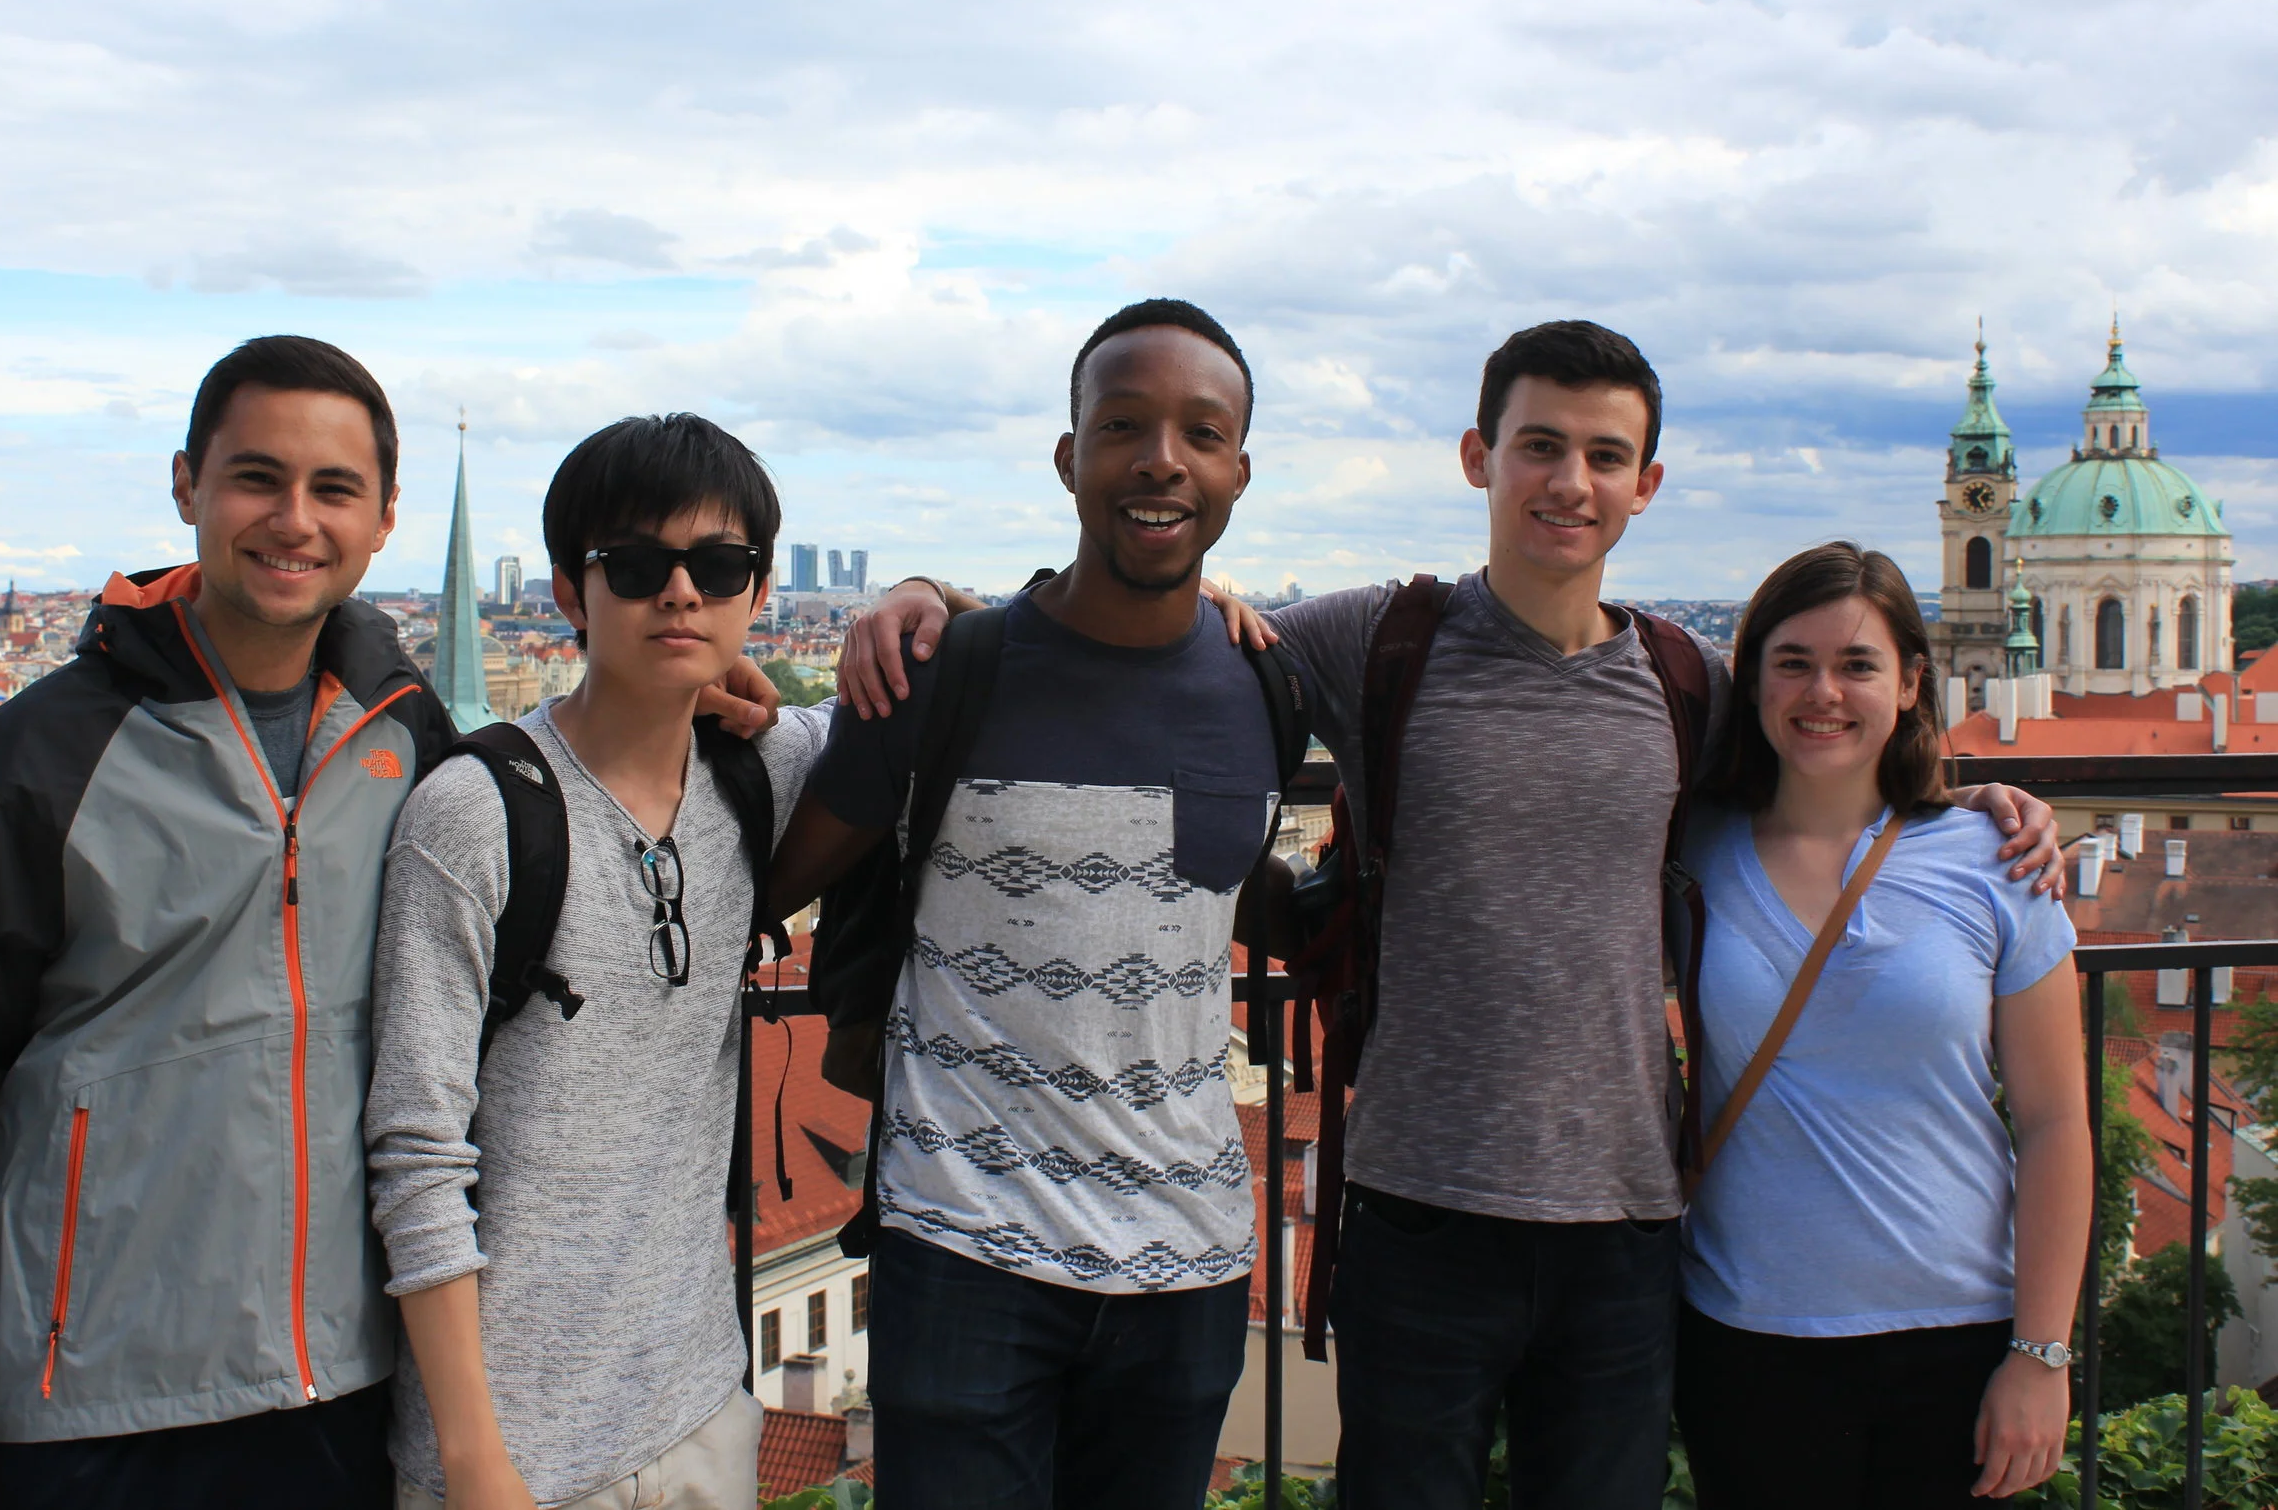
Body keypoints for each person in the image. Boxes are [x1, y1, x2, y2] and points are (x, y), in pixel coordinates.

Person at [838, 319, 2065, 1510]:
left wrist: (1974, 801)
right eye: (1538, 445)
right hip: (1418, 1210)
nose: (1566, 481)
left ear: (1644, 484)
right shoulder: (1375, 637)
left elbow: (1835, 750)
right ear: (1481, 457)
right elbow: (1133, 622)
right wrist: (924, 594)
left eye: (1599, 455)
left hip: (1627, 1220)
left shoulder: (1689, 682)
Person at [0, 336, 457, 1510]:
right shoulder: (41, 753)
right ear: (188, 485)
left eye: (334, 488)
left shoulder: (409, 734)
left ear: (382, 519)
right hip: (93, 1399)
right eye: (255, 477)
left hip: (345, 1382)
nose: (293, 518)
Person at [764, 300, 1310, 1510]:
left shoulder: (1267, 676)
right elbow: (770, 884)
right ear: (1070, 457)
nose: (1160, 457)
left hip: (1189, 1258)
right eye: (1122, 425)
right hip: (964, 1250)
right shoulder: (944, 669)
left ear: (1236, 471)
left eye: (1198, 432)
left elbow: (1241, 885)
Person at [365, 414, 828, 1510]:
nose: (680, 593)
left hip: (699, 1404)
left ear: (756, 595)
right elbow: (416, 1149)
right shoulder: (472, 816)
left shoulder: (761, 774)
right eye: (636, 564)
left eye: (718, 567)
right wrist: (475, 1460)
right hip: (515, 1448)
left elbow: (948, 678)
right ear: (571, 594)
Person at [1670, 541, 2084, 1508]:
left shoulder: (1995, 859)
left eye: (1858, 664)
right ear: (1754, 677)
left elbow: (2057, 1119)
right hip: (1748, 1329)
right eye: (1793, 662)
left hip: (1958, 1331)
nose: (1825, 691)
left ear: (1909, 686)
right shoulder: (1691, 845)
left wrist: (2042, 1353)